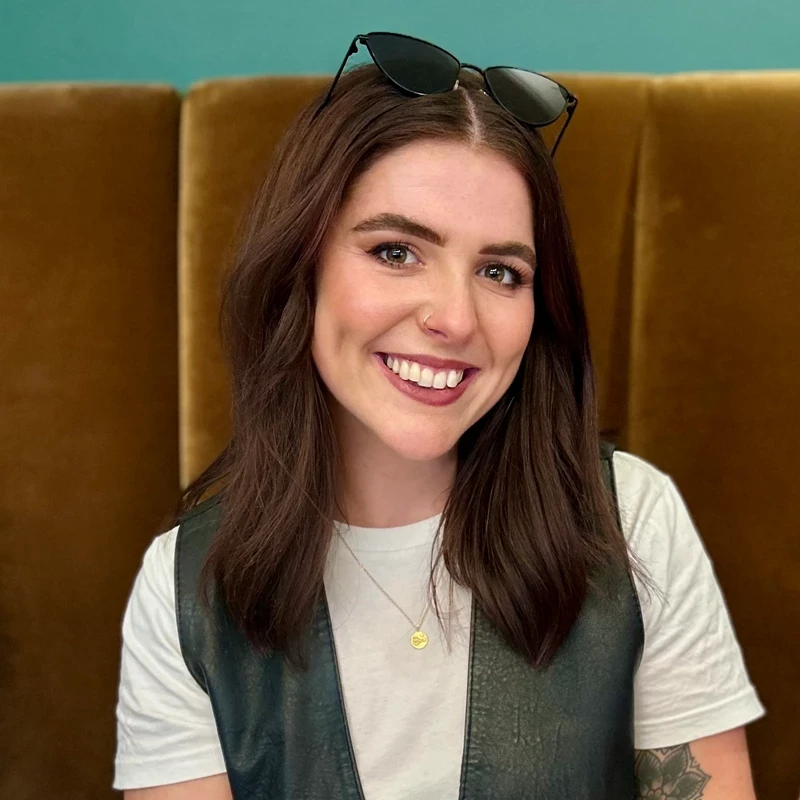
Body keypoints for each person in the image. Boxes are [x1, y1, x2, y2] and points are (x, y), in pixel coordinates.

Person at [113, 32, 766, 800]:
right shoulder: (184, 589)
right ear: (303, 268)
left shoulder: (635, 522)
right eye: (396, 252)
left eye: (500, 271)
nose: (455, 318)